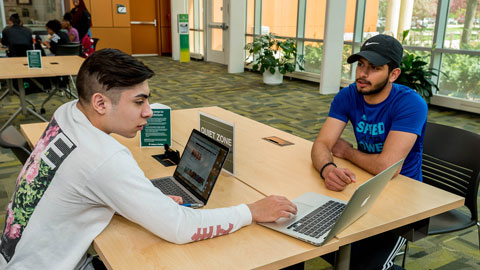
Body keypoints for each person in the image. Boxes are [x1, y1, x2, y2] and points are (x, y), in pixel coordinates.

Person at [0, 48, 297, 269]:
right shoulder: (104, 158)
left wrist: (143, 199)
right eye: (139, 101)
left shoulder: (67, 112)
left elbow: (86, 179)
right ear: (100, 103)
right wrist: (251, 211)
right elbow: (180, 228)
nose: (149, 112)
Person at [311, 34, 427, 269]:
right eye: (361, 65)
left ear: (393, 74)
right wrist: (327, 168)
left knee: (362, 265)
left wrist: (347, 152)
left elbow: (388, 167)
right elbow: (322, 144)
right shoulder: (349, 95)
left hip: (402, 201)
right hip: (364, 184)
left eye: (374, 68)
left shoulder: (410, 104)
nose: (363, 74)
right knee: (313, 237)